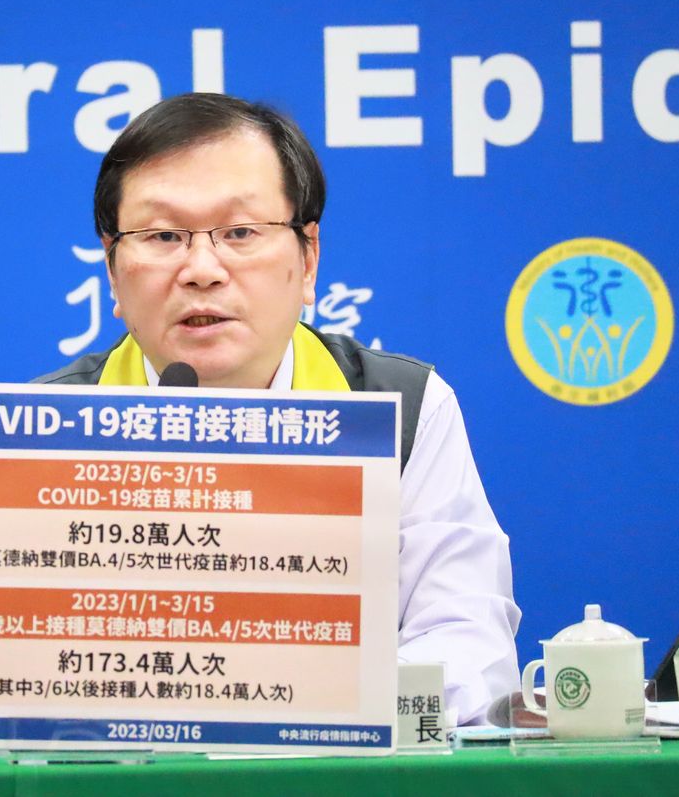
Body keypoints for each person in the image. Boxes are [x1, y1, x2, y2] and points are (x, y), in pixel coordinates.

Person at [36, 93, 520, 724]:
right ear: (112, 269)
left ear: (308, 257)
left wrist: (306, 709)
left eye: (240, 232)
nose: (202, 269)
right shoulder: (44, 425)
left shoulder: (400, 407)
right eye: (162, 236)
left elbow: (467, 637)